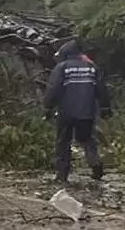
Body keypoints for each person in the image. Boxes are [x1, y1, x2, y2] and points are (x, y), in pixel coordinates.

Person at [44, 39, 111, 183]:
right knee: (87, 140)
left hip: (66, 113)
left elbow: (52, 89)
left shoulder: (62, 67)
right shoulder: (92, 67)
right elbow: (102, 89)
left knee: (63, 142)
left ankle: (62, 175)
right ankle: (96, 166)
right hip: (87, 113)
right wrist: (105, 108)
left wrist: (47, 108)